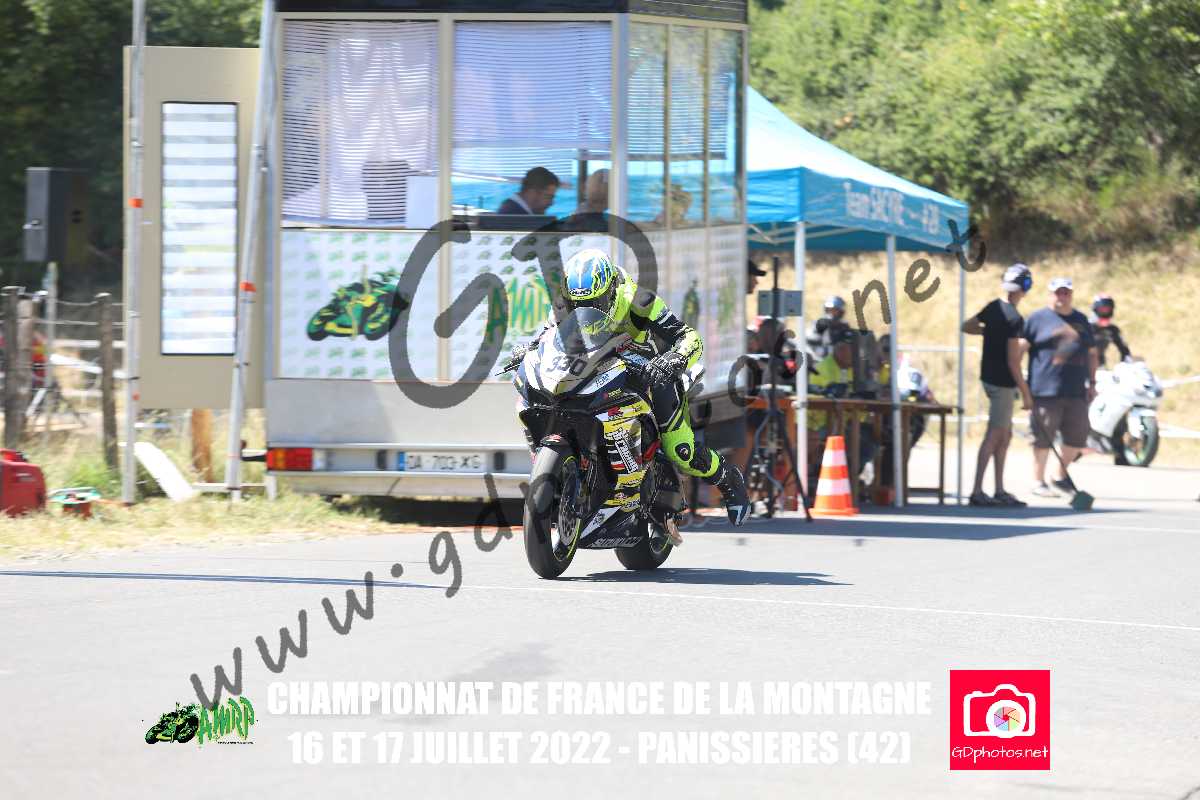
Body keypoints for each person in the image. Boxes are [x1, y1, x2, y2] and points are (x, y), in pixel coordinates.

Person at [509, 248, 750, 528]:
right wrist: (529, 350)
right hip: (598, 369)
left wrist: (674, 358)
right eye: (578, 304)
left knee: (681, 450)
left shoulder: (639, 301)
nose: (586, 308)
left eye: (596, 302)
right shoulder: (564, 304)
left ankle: (728, 479)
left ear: (611, 290)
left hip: (650, 372)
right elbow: (548, 338)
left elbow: (688, 336)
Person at [961, 263, 1035, 507]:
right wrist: (1026, 394)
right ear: (1024, 287)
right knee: (995, 435)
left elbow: (967, 326)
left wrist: (988, 332)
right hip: (1002, 382)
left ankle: (999, 489)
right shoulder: (1014, 318)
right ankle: (977, 491)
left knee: (1005, 435)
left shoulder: (993, 307)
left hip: (990, 378)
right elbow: (1014, 362)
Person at [1023, 276, 1098, 497]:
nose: (1062, 297)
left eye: (1066, 293)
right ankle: (1038, 481)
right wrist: (1022, 385)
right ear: (1050, 294)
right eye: (1058, 292)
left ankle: (1059, 476)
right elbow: (1019, 349)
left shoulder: (1081, 320)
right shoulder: (1037, 319)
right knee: (1042, 437)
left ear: (1071, 295)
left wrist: (1092, 382)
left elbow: (1092, 353)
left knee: (1078, 435)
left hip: (1076, 389)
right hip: (1044, 389)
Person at [807, 329, 876, 495]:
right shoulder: (821, 369)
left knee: (871, 441)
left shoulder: (858, 371)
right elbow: (818, 398)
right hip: (822, 424)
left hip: (849, 422)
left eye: (853, 348)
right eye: (847, 348)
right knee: (855, 440)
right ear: (838, 349)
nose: (851, 352)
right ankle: (830, 479)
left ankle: (848, 480)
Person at [1089, 293, 1133, 368]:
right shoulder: (1085, 327)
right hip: (1081, 367)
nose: (1105, 313)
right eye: (1102, 310)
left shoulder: (1112, 330)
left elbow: (1125, 350)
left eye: (1107, 310)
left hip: (1100, 367)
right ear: (1095, 309)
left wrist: (1125, 366)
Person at [807, 295, 850, 359]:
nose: (831, 313)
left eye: (834, 310)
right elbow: (810, 340)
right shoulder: (820, 323)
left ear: (841, 312)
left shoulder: (844, 326)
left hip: (839, 359)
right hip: (820, 359)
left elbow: (849, 344)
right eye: (829, 310)